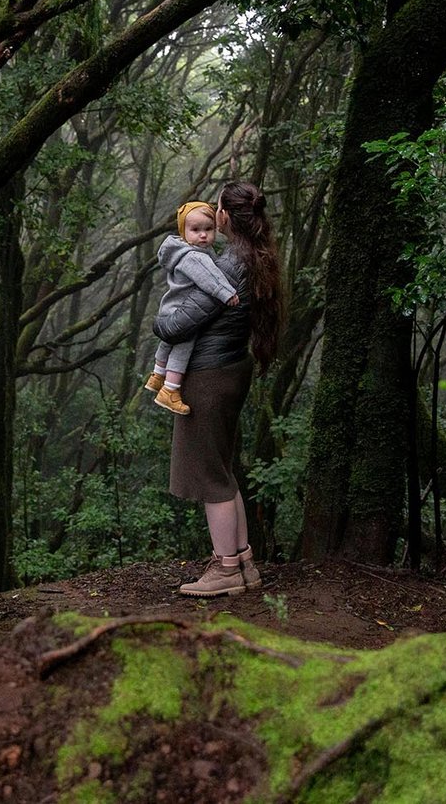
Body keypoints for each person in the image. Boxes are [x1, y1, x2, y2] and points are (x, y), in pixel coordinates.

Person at [155, 180, 283, 598]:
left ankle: (225, 568)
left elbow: (177, 325)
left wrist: (159, 323)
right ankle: (242, 561)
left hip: (210, 376)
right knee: (223, 471)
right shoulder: (254, 256)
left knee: (211, 477)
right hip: (231, 368)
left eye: (216, 210)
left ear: (225, 216)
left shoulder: (228, 265)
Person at [144, 201, 240, 415]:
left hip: (170, 307)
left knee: (168, 343)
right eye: (195, 230)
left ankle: (158, 375)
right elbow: (211, 279)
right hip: (183, 311)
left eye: (208, 229)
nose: (203, 235)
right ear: (183, 231)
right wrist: (228, 294)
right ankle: (170, 389)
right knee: (183, 346)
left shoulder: (183, 251)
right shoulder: (194, 256)